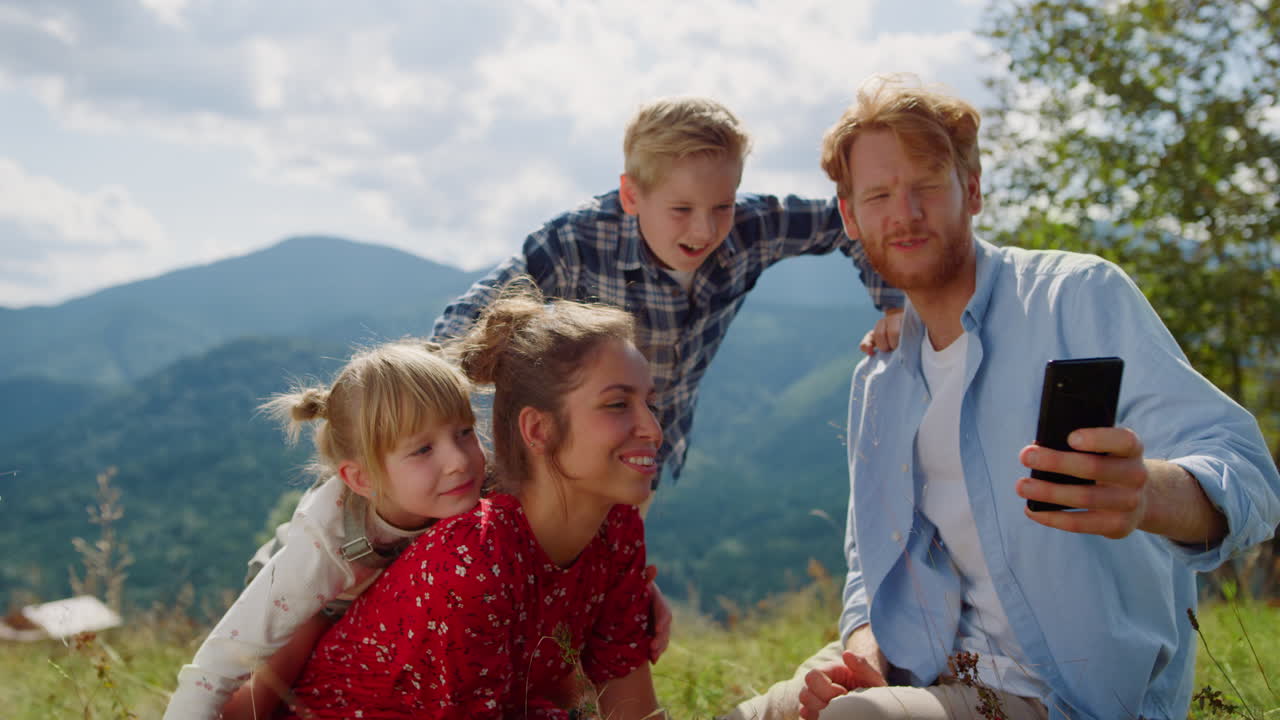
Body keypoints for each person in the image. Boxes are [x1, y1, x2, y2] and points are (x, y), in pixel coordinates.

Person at [726, 75, 1280, 720]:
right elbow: (866, 563)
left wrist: (1149, 493)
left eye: (926, 185)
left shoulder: (1076, 298)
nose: (903, 213)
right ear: (851, 217)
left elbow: (1250, 476)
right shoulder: (878, 380)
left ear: (974, 188)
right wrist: (865, 648)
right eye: (878, 195)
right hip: (920, 664)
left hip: (1061, 696)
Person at [432, 96, 905, 485]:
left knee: (618, 570)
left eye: (722, 205)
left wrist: (893, 303)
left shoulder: (751, 226)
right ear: (632, 195)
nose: (704, 229)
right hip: (568, 456)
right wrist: (424, 396)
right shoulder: (577, 240)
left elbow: (852, 220)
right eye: (681, 209)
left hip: (651, 449)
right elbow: (470, 314)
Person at [283, 290, 666, 719]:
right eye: (617, 405)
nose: (652, 428)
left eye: (650, 402)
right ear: (538, 430)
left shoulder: (617, 525)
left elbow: (630, 699)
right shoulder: (473, 560)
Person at [164, 342, 486, 720]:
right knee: (269, 686)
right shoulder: (323, 546)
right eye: (422, 450)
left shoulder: (478, 483)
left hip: (378, 599)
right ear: (362, 479)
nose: (459, 460)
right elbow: (219, 660)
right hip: (312, 597)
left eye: (465, 432)